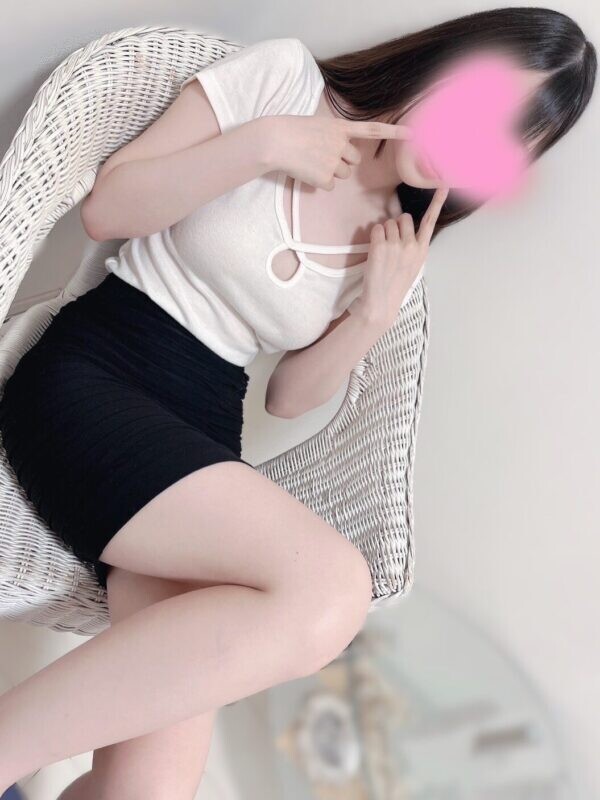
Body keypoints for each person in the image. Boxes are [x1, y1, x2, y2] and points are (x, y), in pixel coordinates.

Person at [0, 6, 595, 799]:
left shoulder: (395, 239)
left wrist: (372, 315)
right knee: (332, 590)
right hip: (94, 376)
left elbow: (287, 398)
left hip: (200, 437)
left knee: (150, 790)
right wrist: (265, 144)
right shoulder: (284, 81)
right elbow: (108, 209)